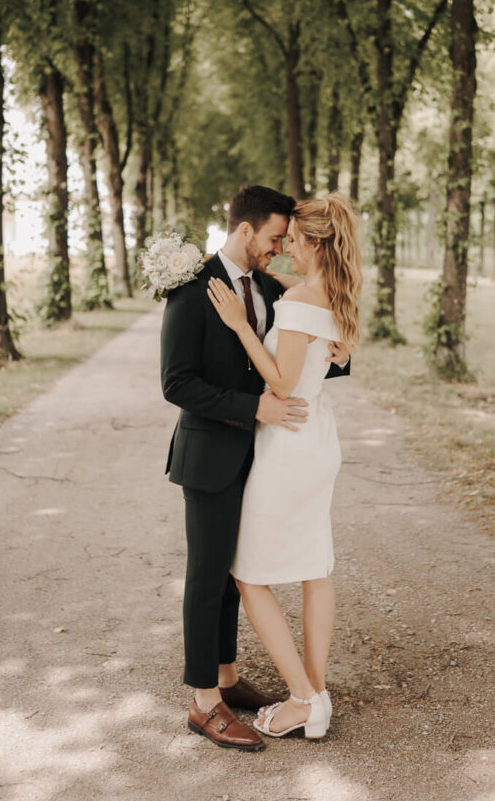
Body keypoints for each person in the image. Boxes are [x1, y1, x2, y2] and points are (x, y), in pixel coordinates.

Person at [160, 184, 349, 752]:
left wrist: (340, 353)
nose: (278, 249)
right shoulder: (192, 291)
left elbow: (303, 343)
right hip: (213, 453)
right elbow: (177, 383)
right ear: (245, 231)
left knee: (235, 579)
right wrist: (253, 407)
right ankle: (204, 703)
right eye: (272, 238)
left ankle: (226, 675)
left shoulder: (270, 285)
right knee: (207, 576)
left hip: (265, 454)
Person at [206, 193, 362, 740]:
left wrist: (238, 324)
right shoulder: (335, 296)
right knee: (315, 570)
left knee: (248, 573)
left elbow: (281, 382)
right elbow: (326, 361)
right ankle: (315, 697)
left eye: (294, 239)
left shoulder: (299, 299)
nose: (288, 248)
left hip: (289, 446)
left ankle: (301, 698)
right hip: (316, 436)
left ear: (316, 242)